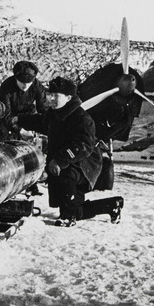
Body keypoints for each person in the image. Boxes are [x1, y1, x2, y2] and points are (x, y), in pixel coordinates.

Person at [18, 77, 124, 227]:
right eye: (50, 94)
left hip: (84, 164)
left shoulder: (82, 118)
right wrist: (20, 120)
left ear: (68, 98)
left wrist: (60, 160)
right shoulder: (55, 114)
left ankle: (69, 217)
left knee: (64, 177)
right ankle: (112, 205)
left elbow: (84, 145)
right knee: (74, 208)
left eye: (56, 95)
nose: (51, 99)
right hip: (67, 163)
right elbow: (42, 124)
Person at [0, 60, 49, 142]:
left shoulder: (37, 86)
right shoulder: (6, 87)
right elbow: (5, 113)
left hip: (27, 115)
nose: (25, 86)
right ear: (16, 79)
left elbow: (43, 109)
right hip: (10, 116)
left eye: (28, 83)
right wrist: (21, 131)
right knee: (1, 132)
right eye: (22, 83)